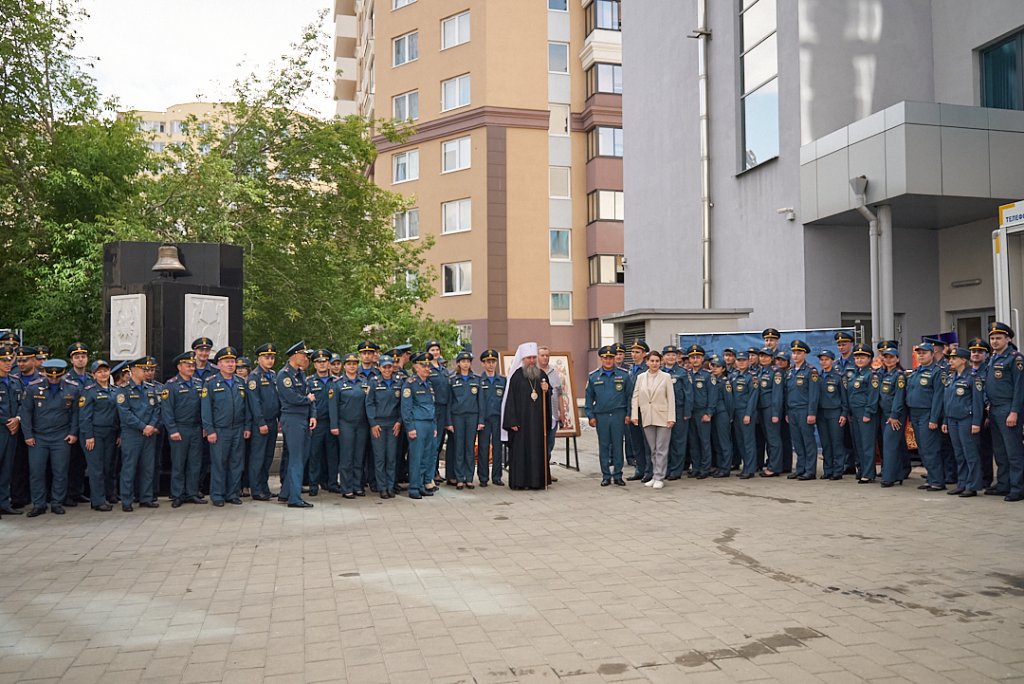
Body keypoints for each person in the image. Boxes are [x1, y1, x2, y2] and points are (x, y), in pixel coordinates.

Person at [20, 359, 80, 517]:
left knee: (60, 471)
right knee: (36, 472)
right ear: (45, 373)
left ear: (62, 374)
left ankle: (57, 502)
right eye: (50, 376)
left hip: (61, 436)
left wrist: (73, 433)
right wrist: (28, 435)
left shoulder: (72, 388)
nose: (53, 379)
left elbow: (75, 414)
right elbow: (25, 413)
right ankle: (39, 504)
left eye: (57, 376)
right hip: (38, 437)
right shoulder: (33, 387)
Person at [200, 347, 251, 507]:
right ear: (219, 364)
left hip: (238, 429)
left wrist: (247, 427)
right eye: (227, 362)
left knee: (236, 463)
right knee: (219, 464)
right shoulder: (210, 383)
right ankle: (217, 495)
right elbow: (206, 410)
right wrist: (210, 430)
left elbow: (247, 408)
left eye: (233, 361)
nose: (231, 364)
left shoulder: (240, 382)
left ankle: (233, 493)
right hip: (219, 430)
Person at [501, 342, 552, 490]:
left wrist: (546, 390)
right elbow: (510, 400)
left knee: (537, 451)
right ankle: (520, 482)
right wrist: (512, 421)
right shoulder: (516, 377)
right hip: (521, 425)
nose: (531, 361)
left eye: (533, 358)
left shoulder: (542, 375)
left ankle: (538, 482)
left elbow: (548, 397)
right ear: (523, 359)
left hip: (537, 423)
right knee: (521, 452)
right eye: (528, 358)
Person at [982, 322, 1024, 501]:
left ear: (1008, 339)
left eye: (999, 338)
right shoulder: (992, 358)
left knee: (1013, 452)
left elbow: (1019, 388)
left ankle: (1018, 487)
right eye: (992, 338)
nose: (994, 341)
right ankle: (1003, 484)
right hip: (994, 409)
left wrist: (1014, 411)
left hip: (1008, 408)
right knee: (1000, 452)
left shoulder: (1015, 358)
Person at [114, 358, 160, 512]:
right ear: (133, 370)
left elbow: (157, 409)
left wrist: (152, 426)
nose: (146, 372)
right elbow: (125, 413)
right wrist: (143, 426)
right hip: (132, 433)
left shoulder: (151, 388)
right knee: (129, 467)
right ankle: (127, 499)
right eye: (143, 369)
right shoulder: (123, 390)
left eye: (148, 370)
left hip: (149, 434)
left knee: (148, 467)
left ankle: (146, 497)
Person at [162, 352, 205, 508]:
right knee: (179, 464)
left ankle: (192, 493)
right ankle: (178, 494)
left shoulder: (199, 383)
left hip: (196, 429)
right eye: (188, 365)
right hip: (180, 428)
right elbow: (167, 410)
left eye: (192, 365)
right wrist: (172, 430)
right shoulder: (171, 385)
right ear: (179, 367)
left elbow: (203, 408)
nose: (191, 368)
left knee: (195, 463)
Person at [585, 345, 630, 486]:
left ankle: (617, 475)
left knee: (618, 445)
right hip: (601, 416)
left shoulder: (624, 375)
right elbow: (588, 399)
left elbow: (629, 397)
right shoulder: (593, 377)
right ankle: (605, 475)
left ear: (615, 358)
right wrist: (590, 416)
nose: (608, 361)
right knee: (603, 446)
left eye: (611, 358)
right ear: (601, 359)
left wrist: (629, 414)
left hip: (618, 415)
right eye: (605, 358)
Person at [941, 347, 984, 498]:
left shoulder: (972, 377)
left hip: (967, 419)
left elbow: (977, 402)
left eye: (954, 358)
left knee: (970, 453)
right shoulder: (951, 377)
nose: (950, 361)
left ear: (963, 360)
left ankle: (973, 485)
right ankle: (962, 483)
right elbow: (947, 401)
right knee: (959, 453)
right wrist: (946, 419)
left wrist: (976, 422)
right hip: (953, 419)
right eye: (950, 358)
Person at [78, 359, 119, 511]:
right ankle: (98, 501)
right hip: (94, 434)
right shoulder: (89, 391)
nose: (103, 374)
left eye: (105, 371)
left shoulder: (114, 390)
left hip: (110, 433)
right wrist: (88, 435)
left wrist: (118, 433)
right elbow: (84, 416)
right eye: (99, 371)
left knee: (108, 466)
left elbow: (117, 414)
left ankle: (108, 495)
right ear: (93, 374)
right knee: (96, 468)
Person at [632, 349, 675, 488]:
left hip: (663, 416)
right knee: (653, 448)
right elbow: (635, 397)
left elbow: (671, 398)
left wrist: (671, 417)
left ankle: (659, 477)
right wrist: (634, 415)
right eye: (652, 361)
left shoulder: (666, 377)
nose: (655, 363)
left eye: (657, 361)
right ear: (647, 362)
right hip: (647, 416)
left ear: (660, 362)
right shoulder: (641, 377)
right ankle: (654, 474)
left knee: (662, 448)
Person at [329, 352, 370, 499]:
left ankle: (357, 486)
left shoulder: (364, 382)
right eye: (349, 364)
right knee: (347, 457)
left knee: (359, 457)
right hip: (345, 424)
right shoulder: (338, 383)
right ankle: (347, 488)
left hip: (362, 424)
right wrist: (334, 425)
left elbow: (369, 403)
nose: (352, 366)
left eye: (354, 364)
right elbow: (332, 406)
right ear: (344, 366)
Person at [366, 354, 403, 499]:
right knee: (380, 457)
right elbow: (369, 403)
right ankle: (382, 487)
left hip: (393, 424)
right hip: (379, 425)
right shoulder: (374, 382)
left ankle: (390, 485)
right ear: (379, 368)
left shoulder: (398, 382)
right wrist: (373, 423)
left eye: (389, 367)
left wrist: (399, 421)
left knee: (391, 457)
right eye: (384, 367)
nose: (387, 370)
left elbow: (402, 405)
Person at [247, 344, 281, 501]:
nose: (270, 360)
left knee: (268, 457)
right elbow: (255, 403)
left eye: (272, 357)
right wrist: (261, 423)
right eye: (266, 357)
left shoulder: (273, 375)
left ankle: (264, 487)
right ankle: (256, 489)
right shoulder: (254, 377)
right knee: (258, 457)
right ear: (259, 359)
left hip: (273, 422)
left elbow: (277, 399)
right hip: (260, 423)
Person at [446, 351, 483, 490]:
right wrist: (448, 422)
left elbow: (481, 402)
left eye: (468, 361)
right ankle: (459, 478)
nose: (466, 364)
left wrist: (481, 420)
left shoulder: (476, 379)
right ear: (458, 363)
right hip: (457, 417)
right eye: (463, 361)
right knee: (459, 448)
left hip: (472, 416)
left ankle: (469, 477)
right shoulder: (453, 380)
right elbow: (449, 402)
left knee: (469, 448)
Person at [401, 352, 437, 499]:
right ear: (416, 367)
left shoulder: (429, 385)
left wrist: (434, 426)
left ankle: (422, 484)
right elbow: (406, 408)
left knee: (426, 457)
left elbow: (432, 406)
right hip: (418, 424)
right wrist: (410, 428)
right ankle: (414, 487)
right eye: (423, 365)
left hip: (429, 424)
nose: (427, 368)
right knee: (416, 457)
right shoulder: (410, 384)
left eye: (428, 365)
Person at [845, 343, 880, 484]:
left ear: (869, 358)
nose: (859, 360)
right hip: (854, 413)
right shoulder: (854, 374)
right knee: (858, 444)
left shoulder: (872, 375)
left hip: (865, 413)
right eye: (857, 357)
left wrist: (868, 412)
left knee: (867, 444)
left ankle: (869, 473)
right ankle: (860, 470)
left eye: (863, 357)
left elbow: (873, 396)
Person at [785, 340, 820, 480]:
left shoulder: (811, 371)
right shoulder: (790, 372)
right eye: (794, 353)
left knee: (808, 441)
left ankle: (810, 470)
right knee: (797, 441)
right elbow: (787, 393)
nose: (795, 355)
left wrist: (812, 413)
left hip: (804, 410)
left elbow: (813, 395)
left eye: (799, 353)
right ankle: (800, 468)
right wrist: (787, 411)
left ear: (805, 354)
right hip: (792, 411)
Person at [877, 343, 909, 487]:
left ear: (897, 359)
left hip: (894, 415)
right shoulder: (882, 374)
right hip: (884, 414)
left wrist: (895, 415)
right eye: (886, 357)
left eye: (891, 357)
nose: (888, 360)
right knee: (892, 444)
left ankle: (888, 478)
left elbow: (899, 397)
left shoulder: (899, 376)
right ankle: (898, 473)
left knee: (889, 445)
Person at [65, 342, 91, 507]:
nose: (80, 360)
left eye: (83, 356)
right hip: (70, 428)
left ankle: (78, 491)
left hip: (87, 427)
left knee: (81, 462)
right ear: (71, 360)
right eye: (77, 357)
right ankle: (66, 494)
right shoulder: (66, 379)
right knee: (68, 462)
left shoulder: (91, 378)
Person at [306, 349, 335, 496]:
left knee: (332, 455)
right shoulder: (309, 382)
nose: (322, 364)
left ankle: (331, 483)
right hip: (317, 423)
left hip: (332, 423)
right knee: (315, 454)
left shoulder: (336, 381)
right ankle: (313, 484)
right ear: (314, 365)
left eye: (324, 361)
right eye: (318, 362)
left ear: (329, 363)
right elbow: (308, 403)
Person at [816, 350, 848, 480]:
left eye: (826, 359)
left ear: (832, 361)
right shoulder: (817, 376)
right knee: (825, 443)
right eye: (822, 360)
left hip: (835, 412)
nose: (824, 362)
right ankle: (828, 470)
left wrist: (844, 413)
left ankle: (838, 470)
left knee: (837, 442)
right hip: (821, 413)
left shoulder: (839, 376)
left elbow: (844, 397)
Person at [661, 345, 692, 481]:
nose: (671, 357)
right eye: (668, 355)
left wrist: (687, 411)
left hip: (679, 410)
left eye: (673, 355)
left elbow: (688, 394)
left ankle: (676, 470)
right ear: (663, 357)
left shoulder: (682, 373)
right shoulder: (659, 372)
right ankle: (665, 469)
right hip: (663, 411)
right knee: (664, 441)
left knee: (678, 441)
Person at [0, 346, 24, 515]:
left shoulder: (16, 381)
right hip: (2, 428)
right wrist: (6, 420)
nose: (8, 364)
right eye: (3, 361)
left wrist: (17, 419)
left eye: (10, 360)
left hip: (12, 430)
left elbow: (23, 404)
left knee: (7, 468)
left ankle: (4, 503)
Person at [477, 349, 506, 486]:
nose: (491, 365)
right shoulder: (478, 381)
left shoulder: (503, 380)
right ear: (483, 364)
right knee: (483, 448)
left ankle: (497, 477)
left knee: (497, 448)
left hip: (498, 419)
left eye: (493, 361)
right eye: (488, 362)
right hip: (484, 419)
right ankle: (483, 478)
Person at [729, 351, 759, 479]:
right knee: (740, 441)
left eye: (744, 360)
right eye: (739, 360)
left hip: (746, 412)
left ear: (748, 362)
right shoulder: (733, 375)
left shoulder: (752, 377)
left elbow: (753, 397)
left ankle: (750, 469)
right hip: (735, 413)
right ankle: (745, 466)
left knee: (748, 441)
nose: (741, 363)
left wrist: (748, 414)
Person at [756, 348, 784, 476]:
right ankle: (771, 463)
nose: (763, 358)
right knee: (767, 438)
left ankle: (774, 467)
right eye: (761, 356)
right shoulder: (759, 371)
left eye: (766, 356)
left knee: (773, 439)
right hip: (761, 409)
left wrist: (775, 413)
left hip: (770, 409)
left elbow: (777, 395)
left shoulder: (776, 372)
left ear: (772, 358)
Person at [626, 341, 651, 481]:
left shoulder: (647, 369)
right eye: (633, 352)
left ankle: (649, 470)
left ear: (644, 354)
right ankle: (639, 469)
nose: (634, 354)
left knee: (647, 442)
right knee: (635, 442)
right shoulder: (631, 369)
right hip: (632, 410)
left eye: (637, 352)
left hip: (644, 410)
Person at [539, 346, 565, 464]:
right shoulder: (533, 372)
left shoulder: (554, 373)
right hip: (539, 416)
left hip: (553, 415)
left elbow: (559, 394)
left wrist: (562, 413)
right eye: (542, 355)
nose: (545, 358)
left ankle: (546, 472)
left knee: (550, 444)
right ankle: (538, 473)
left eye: (547, 355)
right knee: (539, 445)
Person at [707, 355, 732, 478]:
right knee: (716, 442)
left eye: (718, 367)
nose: (715, 368)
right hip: (714, 414)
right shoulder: (712, 380)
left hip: (722, 414)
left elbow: (729, 401)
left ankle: (725, 468)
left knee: (724, 442)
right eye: (713, 366)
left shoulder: (725, 382)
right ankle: (719, 465)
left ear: (723, 369)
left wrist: (728, 415)